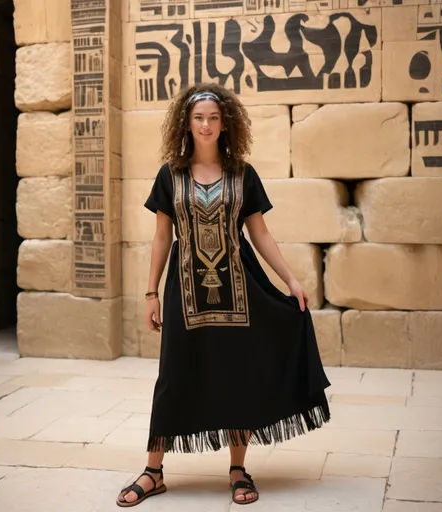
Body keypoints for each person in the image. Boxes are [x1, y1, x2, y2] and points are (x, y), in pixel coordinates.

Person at [116, 83, 331, 508]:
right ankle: (153, 471)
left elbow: (260, 233)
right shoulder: (170, 175)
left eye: (214, 117)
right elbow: (162, 238)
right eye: (199, 117)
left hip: (241, 292)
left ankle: (238, 468)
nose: (207, 124)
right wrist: (150, 292)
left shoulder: (242, 174)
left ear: (225, 122)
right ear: (187, 123)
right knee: (173, 374)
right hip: (185, 291)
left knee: (238, 375)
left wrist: (291, 279)